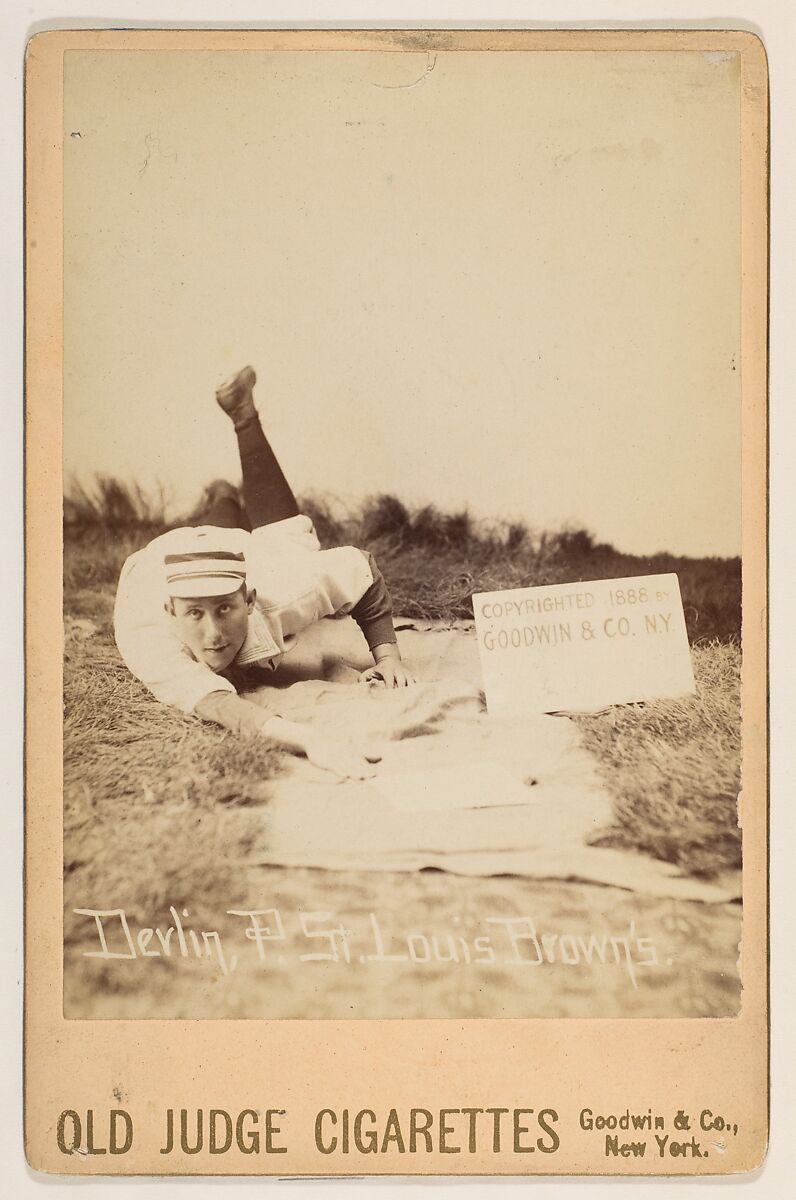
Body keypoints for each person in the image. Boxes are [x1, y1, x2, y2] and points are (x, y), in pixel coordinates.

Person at [114, 366, 413, 780]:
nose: (213, 633)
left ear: (249, 600)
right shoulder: (153, 640)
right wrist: (310, 740)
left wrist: (389, 656)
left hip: (246, 558)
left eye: (224, 609)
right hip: (156, 564)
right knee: (215, 534)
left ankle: (244, 422)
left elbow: (361, 569)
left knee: (287, 541)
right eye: (194, 615)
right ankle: (223, 496)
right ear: (171, 612)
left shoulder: (281, 592)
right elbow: (221, 706)